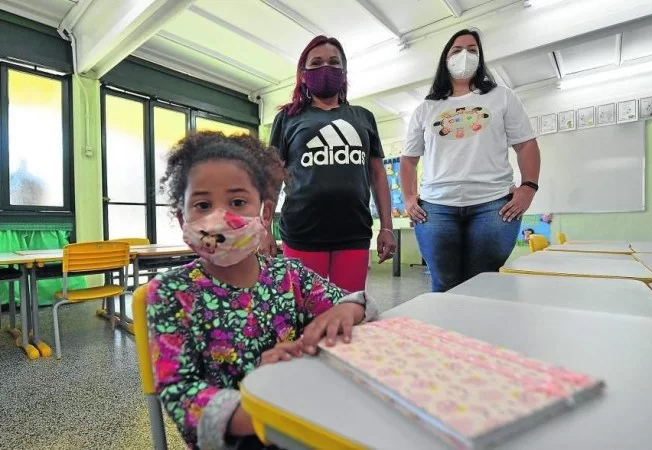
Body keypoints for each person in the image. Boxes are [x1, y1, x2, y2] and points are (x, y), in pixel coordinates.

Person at [147, 131, 378, 450]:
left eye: (238, 202)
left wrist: (347, 310)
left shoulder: (290, 275)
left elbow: (357, 305)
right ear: (181, 217)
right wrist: (263, 411)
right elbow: (178, 392)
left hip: (304, 412)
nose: (220, 218)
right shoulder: (170, 293)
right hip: (242, 432)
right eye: (202, 204)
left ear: (265, 214)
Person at [400, 29, 541, 292]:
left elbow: (526, 144)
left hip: (494, 205)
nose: (465, 55)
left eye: (472, 50)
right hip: (436, 207)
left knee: (482, 285)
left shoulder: (502, 97)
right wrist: (409, 199)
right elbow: (408, 161)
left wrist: (529, 187)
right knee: (443, 284)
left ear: (481, 58)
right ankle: (442, 335)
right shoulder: (426, 108)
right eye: (457, 50)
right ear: (445, 58)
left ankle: (476, 333)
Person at [260, 35, 396, 292]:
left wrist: (386, 228)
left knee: (349, 310)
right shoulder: (288, 118)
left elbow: (378, 175)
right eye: (316, 62)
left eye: (334, 62)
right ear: (303, 74)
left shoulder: (363, 117)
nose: (326, 68)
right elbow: (273, 175)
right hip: (303, 232)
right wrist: (264, 227)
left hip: (353, 232)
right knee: (306, 315)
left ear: (344, 72)